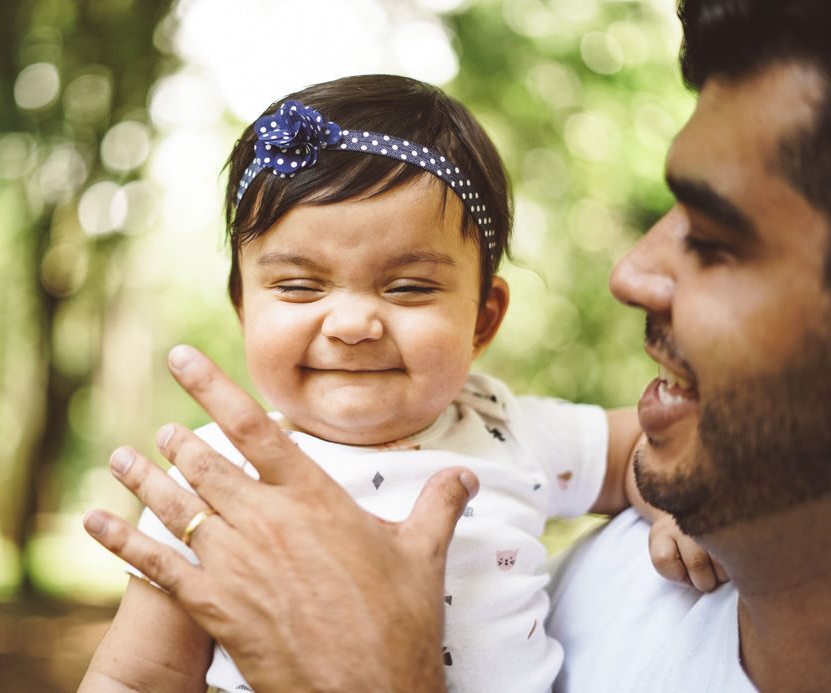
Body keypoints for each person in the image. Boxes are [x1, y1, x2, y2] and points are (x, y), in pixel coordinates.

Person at [81, 1, 831, 690]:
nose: (351, 323)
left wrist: (680, 504)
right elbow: (133, 675)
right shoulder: (216, 489)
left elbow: (638, 444)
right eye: (301, 288)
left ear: (483, 319)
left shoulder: (507, 430)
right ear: (242, 307)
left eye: (407, 288)